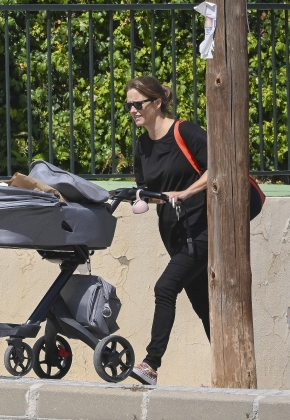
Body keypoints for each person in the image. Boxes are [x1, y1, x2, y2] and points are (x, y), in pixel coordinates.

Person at [126, 75, 209, 385]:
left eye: (138, 104)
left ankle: (150, 363)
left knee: (165, 287)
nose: (133, 110)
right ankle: (234, 384)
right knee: (205, 307)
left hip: (203, 228)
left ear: (156, 103)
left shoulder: (184, 131)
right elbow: (145, 187)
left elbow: (221, 165)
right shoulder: (142, 145)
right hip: (174, 233)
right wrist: (137, 196)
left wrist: (187, 192)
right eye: (129, 105)